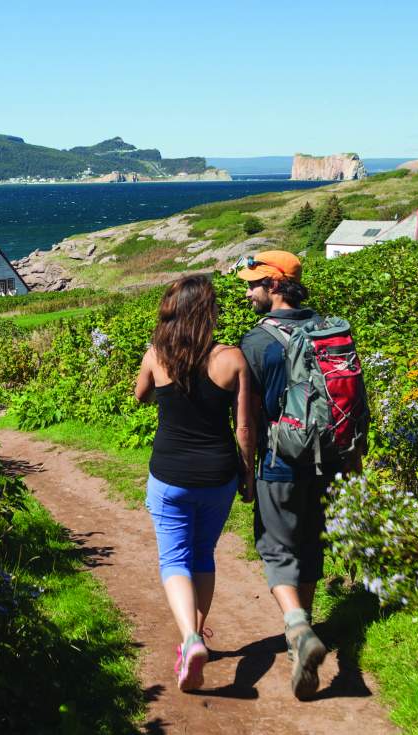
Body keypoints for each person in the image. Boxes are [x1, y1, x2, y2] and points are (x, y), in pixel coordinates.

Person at [235, 250, 358, 700]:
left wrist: (246, 470)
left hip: (279, 461)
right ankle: (298, 645)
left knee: (276, 547)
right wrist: (353, 457)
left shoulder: (257, 342)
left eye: (254, 284)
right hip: (328, 459)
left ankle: (298, 628)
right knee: (309, 544)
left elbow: (246, 419)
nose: (247, 292)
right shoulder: (330, 330)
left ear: (276, 285)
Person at [134, 274, 258, 693]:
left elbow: (140, 396)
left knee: (174, 559)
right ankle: (196, 637)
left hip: (169, 474)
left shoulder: (156, 355)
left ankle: (189, 640)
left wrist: (163, 393)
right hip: (218, 474)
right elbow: (244, 427)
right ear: (209, 312)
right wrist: (247, 474)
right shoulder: (232, 358)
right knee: (203, 553)